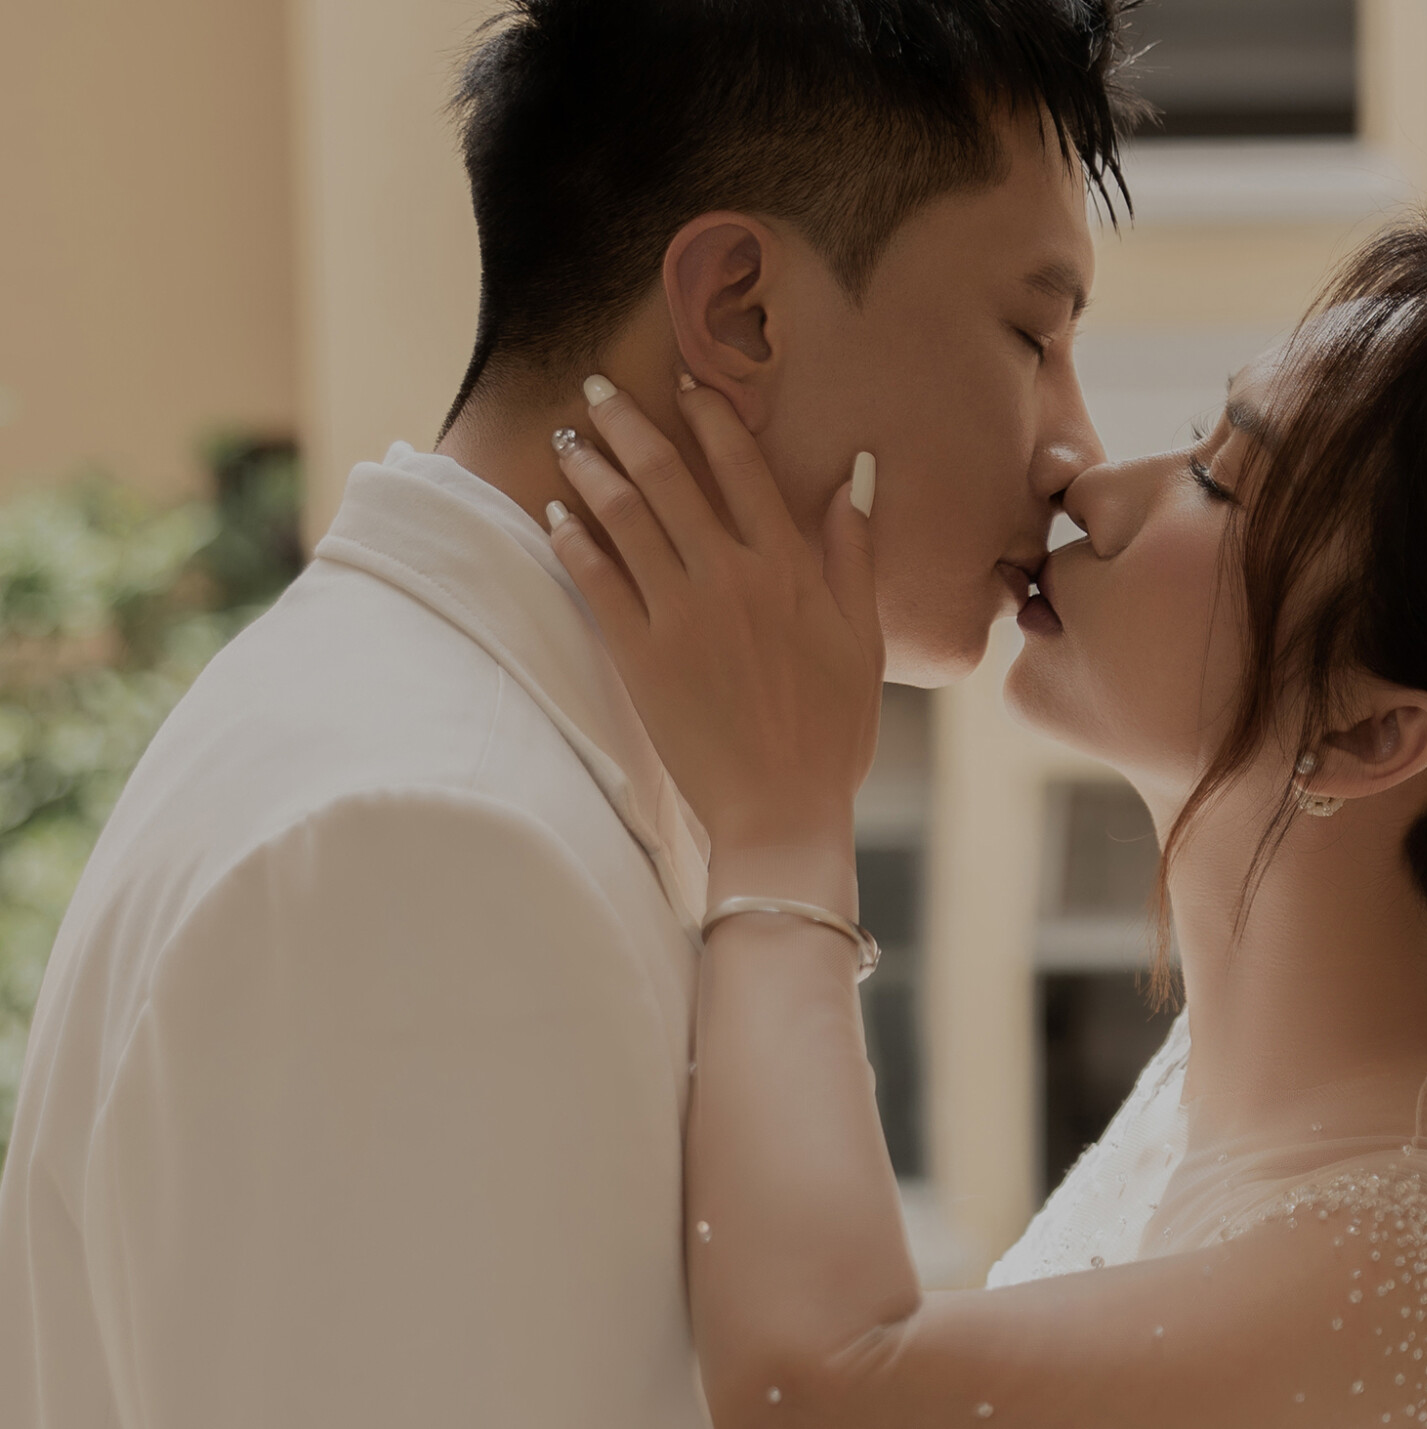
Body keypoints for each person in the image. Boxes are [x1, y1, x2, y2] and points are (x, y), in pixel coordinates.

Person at [0, 3, 1135, 1425]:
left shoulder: (461, 745)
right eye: (1034, 333)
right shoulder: (424, 841)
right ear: (740, 308)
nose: (1079, 448)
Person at [549, 221, 1427, 1427]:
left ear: (1371, 732)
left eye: (1220, 479)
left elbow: (819, 1389)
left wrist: (785, 822)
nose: (1089, 483)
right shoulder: (1249, 1116)